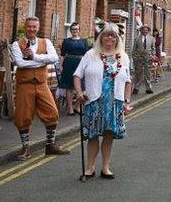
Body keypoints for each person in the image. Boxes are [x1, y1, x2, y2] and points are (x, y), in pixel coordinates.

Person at [73, 25, 132, 179]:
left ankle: (105, 167)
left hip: (114, 102)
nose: (110, 38)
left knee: (108, 135)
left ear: (117, 38)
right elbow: (77, 75)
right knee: (92, 135)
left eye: (113, 36)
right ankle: (90, 167)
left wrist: (127, 101)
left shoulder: (123, 57)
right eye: (106, 35)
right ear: (101, 37)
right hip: (94, 100)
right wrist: (79, 93)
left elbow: (128, 81)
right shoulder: (91, 54)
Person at [10, 16, 70, 160]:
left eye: (34, 27)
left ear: (38, 28)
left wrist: (35, 57)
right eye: (29, 26)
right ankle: (25, 148)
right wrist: (42, 60)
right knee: (23, 116)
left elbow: (54, 58)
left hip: (42, 84)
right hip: (25, 85)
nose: (32, 29)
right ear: (25, 27)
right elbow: (20, 63)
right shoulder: (17, 44)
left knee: (52, 112)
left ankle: (50, 145)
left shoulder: (46, 42)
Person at [59, 22, 90, 115]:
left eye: (76, 29)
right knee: (69, 87)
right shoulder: (66, 41)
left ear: (79, 30)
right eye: (73, 29)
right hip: (69, 64)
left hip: (80, 64)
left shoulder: (84, 41)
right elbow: (62, 55)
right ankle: (70, 108)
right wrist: (60, 65)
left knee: (82, 87)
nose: (75, 31)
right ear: (70, 31)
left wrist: (88, 66)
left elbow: (87, 55)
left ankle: (77, 106)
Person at [131, 25, 155, 95]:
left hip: (148, 58)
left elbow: (153, 48)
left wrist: (152, 56)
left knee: (148, 73)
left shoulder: (152, 38)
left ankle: (148, 88)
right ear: (141, 30)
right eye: (144, 30)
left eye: (146, 30)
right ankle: (136, 88)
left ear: (148, 31)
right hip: (138, 58)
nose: (145, 31)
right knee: (138, 73)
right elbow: (134, 49)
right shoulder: (137, 38)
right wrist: (134, 57)